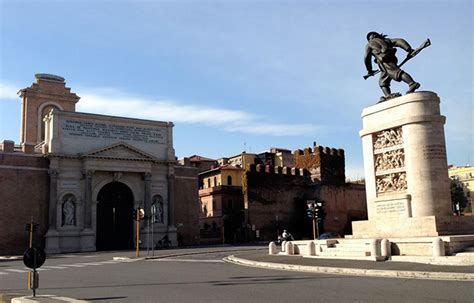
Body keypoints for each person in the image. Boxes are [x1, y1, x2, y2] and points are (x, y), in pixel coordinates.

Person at [364, 31, 420, 102]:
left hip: (384, 61)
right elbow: (399, 41)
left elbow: (366, 58)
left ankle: (412, 83)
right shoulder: (386, 40)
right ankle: (388, 95)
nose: (370, 38)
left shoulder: (369, 44)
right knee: (383, 81)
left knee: (396, 72)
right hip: (391, 58)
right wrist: (408, 49)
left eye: (369, 37)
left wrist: (369, 70)